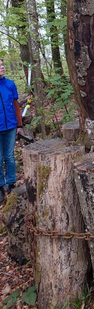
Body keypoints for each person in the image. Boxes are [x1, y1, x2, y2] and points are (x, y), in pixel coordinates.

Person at [0, 59, 23, 202]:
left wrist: (19, 125)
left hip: (10, 127)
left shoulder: (10, 84)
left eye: (2, 65)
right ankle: (1, 187)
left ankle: (11, 183)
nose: (2, 67)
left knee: (9, 156)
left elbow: (16, 106)